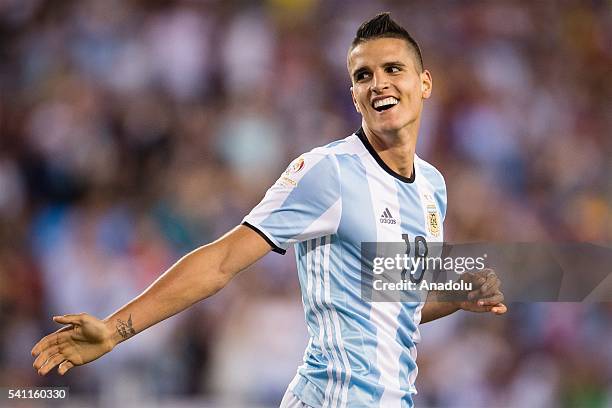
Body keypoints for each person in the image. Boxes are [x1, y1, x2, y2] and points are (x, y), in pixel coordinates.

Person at [32, 12, 506, 408]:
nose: (378, 83)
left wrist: (456, 297)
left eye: (393, 69)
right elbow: (220, 261)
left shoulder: (432, 188)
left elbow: (391, 309)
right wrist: (115, 330)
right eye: (363, 75)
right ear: (354, 95)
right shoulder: (328, 172)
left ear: (424, 83)